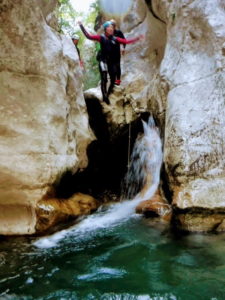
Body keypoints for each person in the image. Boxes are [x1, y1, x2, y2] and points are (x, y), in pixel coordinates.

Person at [78, 21, 143, 104]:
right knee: (104, 78)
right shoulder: (101, 37)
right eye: (110, 28)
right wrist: (81, 26)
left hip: (110, 61)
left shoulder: (115, 39)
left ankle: (108, 93)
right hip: (103, 60)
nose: (112, 29)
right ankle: (104, 96)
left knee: (113, 80)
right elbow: (88, 36)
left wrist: (137, 38)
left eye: (112, 28)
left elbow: (125, 41)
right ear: (106, 29)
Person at [110, 19, 126, 86]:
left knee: (117, 65)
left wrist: (123, 48)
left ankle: (118, 80)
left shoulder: (118, 32)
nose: (111, 26)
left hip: (116, 51)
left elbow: (124, 40)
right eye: (110, 24)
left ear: (115, 25)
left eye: (113, 24)